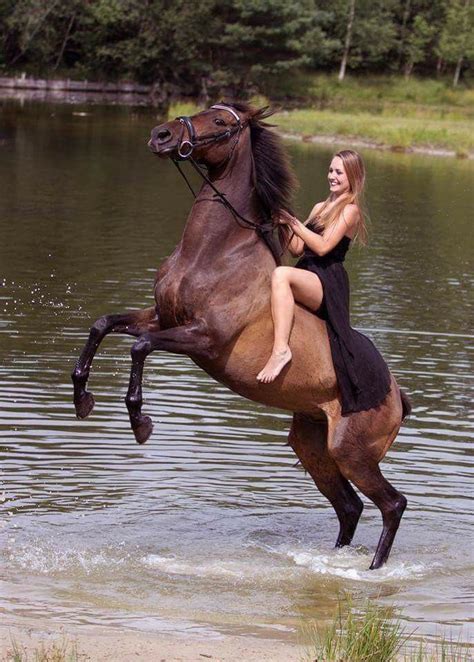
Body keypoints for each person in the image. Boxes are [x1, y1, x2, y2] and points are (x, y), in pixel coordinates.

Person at [256, 149, 391, 415]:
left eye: (339, 172)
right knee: (272, 276)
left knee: (281, 275)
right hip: (308, 271)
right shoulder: (320, 207)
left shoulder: (350, 210)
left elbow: (322, 247)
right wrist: (281, 221)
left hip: (327, 280)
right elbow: (296, 248)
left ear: (352, 177)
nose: (332, 176)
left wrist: (295, 223)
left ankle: (281, 351)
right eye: (331, 170)